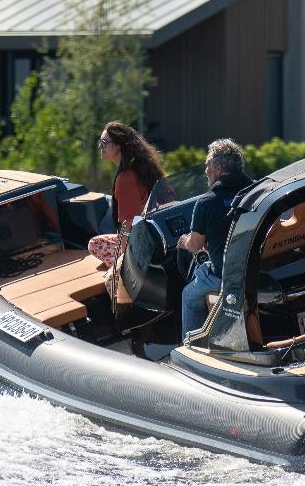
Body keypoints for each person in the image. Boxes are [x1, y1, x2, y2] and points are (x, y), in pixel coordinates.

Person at [177, 139, 253, 341]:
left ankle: (191, 347)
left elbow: (195, 246)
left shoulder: (206, 202)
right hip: (257, 269)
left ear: (218, 168)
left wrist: (183, 241)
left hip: (225, 276)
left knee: (189, 295)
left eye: (207, 166)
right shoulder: (258, 192)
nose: (206, 171)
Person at [87, 121, 165, 268]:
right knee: (97, 241)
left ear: (118, 145)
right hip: (155, 235)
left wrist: (124, 261)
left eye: (104, 142)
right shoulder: (140, 168)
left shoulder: (125, 178)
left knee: (94, 245)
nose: (100, 146)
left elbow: (129, 224)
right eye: (100, 142)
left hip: (143, 243)